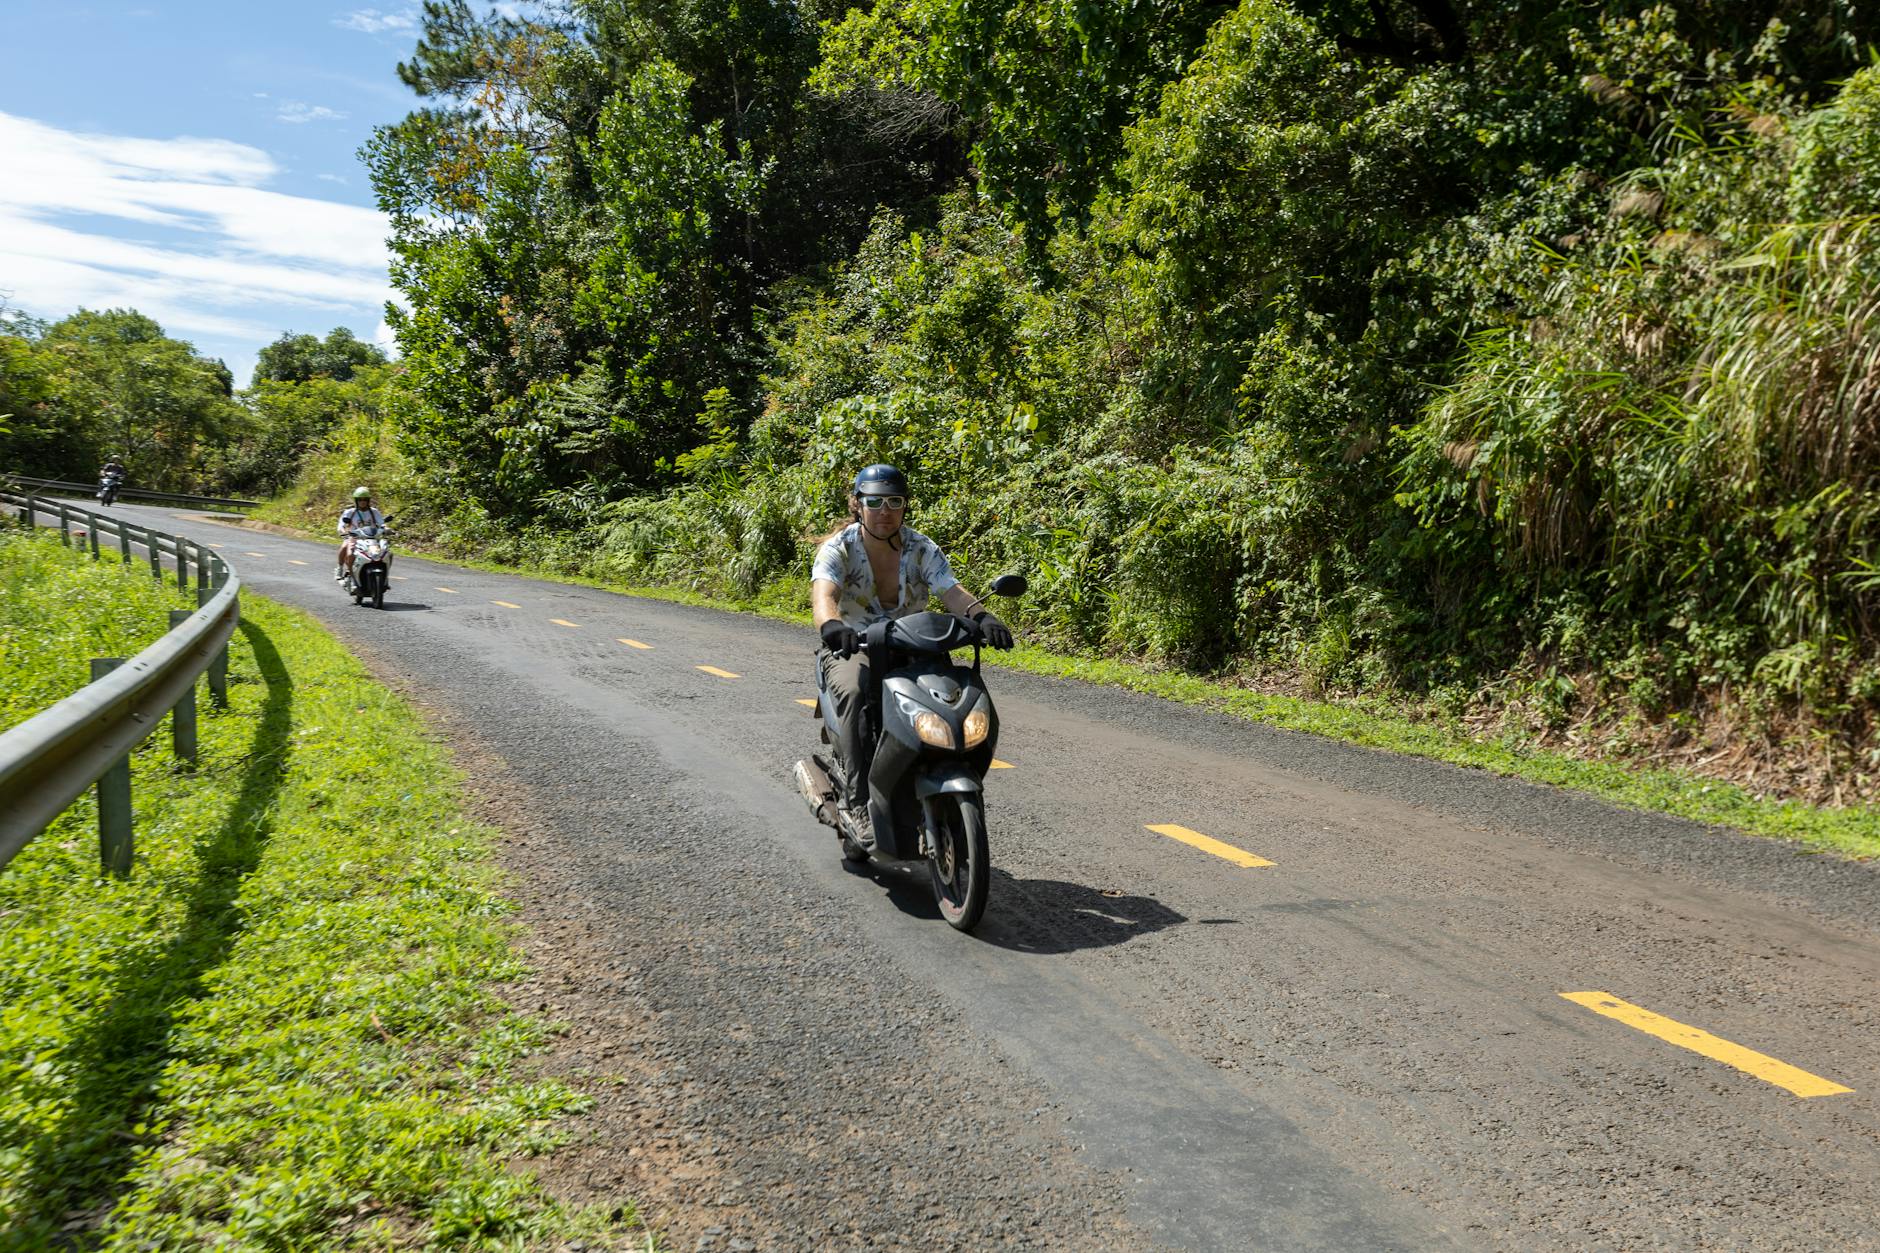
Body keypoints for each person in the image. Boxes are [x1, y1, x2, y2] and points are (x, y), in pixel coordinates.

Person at [810, 464, 1013, 841]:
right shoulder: (839, 548)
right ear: (857, 505)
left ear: (905, 506)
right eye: (874, 502)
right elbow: (824, 595)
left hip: (914, 643)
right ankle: (858, 803)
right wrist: (832, 627)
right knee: (854, 692)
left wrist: (982, 617)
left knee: (954, 696)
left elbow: (951, 591)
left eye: (894, 502)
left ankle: (942, 773)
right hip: (854, 645)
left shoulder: (921, 547)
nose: (884, 511)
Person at [335, 486, 385, 581]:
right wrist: (343, 532)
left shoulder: (374, 512)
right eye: (360, 499)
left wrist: (386, 529)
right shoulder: (350, 512)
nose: (362, 502)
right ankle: (341, 568)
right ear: (356, 501)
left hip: (372, 538)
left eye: (365, 499)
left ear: (368, 500)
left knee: (384, 552)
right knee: (347, 550)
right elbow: (341, 525)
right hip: (354, 538)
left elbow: (382, 524)